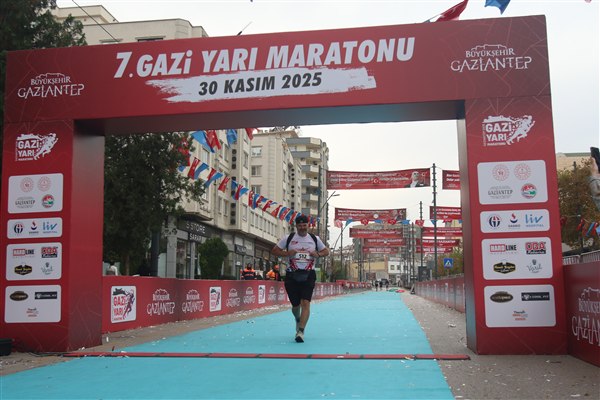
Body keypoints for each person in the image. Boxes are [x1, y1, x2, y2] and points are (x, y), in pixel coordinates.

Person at [271, 214, 329, 343]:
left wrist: (318, 254)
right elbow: (274, 250)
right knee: (296, 305)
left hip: (309, 274)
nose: (302, 227)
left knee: (306, 303)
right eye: (300, 225)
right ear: (296, 226)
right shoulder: (289, 238)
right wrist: (287, 253)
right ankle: (298, 319)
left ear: (308, 225)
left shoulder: (314, 239)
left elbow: (326, 251)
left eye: (304, 225)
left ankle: (301, 331)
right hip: (292, 274)